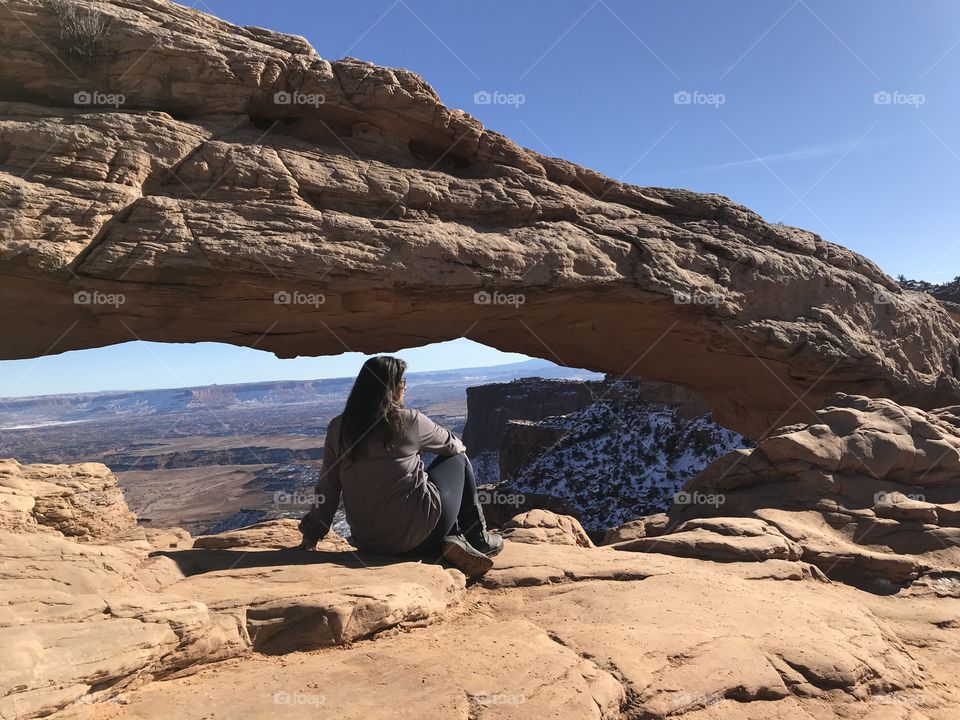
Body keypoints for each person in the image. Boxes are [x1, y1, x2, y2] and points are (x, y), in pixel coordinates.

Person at [296, 355, 503, 578]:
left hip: (368, 543)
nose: (405, 387)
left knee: (423, 478)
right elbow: (455, 445)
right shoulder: (409, 420)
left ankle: (451, 539)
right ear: (391, 387)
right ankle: (476, 538)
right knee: (458, 459)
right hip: (423, 537)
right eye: (402, 381)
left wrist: (312, 534)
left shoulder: (338, 427)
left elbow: (328, 486)